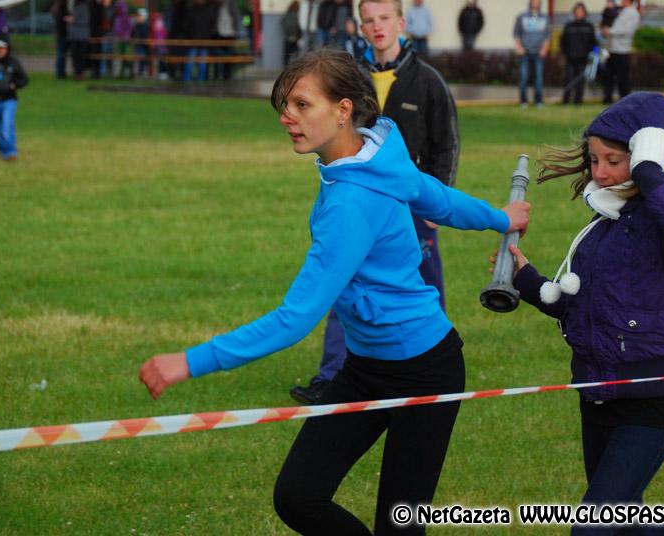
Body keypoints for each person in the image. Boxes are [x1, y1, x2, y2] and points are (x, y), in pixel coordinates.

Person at [140, 46, 531, 536]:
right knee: (298, 496)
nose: (287, 117)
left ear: (344, 110)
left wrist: (190, 361)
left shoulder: (353, 201)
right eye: (285, 105)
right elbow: (435, 197)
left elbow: (295, 319)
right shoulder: (376, 153)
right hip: (365, 368)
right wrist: (499, 218)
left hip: (425, 370)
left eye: (302, 105)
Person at [498, 92, 664, 536]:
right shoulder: (601, 229)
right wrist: (527, 279)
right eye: (593, 159)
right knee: (620, 525)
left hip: (650, 404)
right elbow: (582, 310)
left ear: (647, 155)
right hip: (596, 397)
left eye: (614, 161)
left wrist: (650, 176)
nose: (599, 172)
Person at [290, 0, 460, 405]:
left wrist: (437, 203)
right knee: (344, 281)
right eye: (369, 20)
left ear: (401, 23)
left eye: (384, 19)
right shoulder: (350, 78)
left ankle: (431, 366)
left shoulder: (428, 80)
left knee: (422, 284)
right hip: (365, 203)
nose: (376, 26)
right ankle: (334, 376)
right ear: (360, 26)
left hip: (415, 206)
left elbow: (447, 143)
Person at [513, 0, 550, 108]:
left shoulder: (545, 18)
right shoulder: (522, 17)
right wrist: (519, 47)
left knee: (538, 78)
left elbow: (547, 35)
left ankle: (538, 101)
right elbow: (516, 34)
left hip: (538, 52)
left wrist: (545, 49)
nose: (535, 2)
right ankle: (523, 101)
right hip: (524, 52)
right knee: (523, 77)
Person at [601, 0, 639, 104]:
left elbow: (627, 30)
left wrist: (610, 31)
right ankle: (607, 98)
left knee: (623, 77)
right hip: (612, 49)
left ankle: (625, 100)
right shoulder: (621, 11)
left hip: (622, 50)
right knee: (608, 76)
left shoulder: (633, 13)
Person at [560, 2, 596, 105]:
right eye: (577, 11)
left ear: (585, 13)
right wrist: (565, 53)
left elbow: (593, 42)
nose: (579, 13)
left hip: (584, 59)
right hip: (570, 58)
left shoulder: (589, 26)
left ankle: (578, 101)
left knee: (580, 82)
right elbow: (563, 41)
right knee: (568, 80)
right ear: (574, 12)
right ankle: (565, 100)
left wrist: (591, 55)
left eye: (581, 11)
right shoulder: (568, 26)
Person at [211, 0, 240, 81]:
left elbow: (236, 18)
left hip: (229, 34)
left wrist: (235, 31)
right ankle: (216, 75)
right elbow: (213, 19)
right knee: (217, 56)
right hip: (218, 34)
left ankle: (227, 75)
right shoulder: (216, 6)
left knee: (228, 56)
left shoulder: (231, 4)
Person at [66, 0, 91, 81]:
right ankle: (77, 73)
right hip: (74, 36)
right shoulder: (75, 7)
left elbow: (85, 20)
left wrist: (74, 20)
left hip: (81, 36)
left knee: (80, 56)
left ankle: (80, 73)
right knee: (75, 56)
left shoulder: (83, 7)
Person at [282, 0, 302, 66]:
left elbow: (283, 24)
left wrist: (287, 35)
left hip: (287, 38)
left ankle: (286, 68)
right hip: (294, 38)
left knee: (286, 55)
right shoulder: (296, 15)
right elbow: (296, 27)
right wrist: (298, 36)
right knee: (295, 55)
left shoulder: (287, 14)